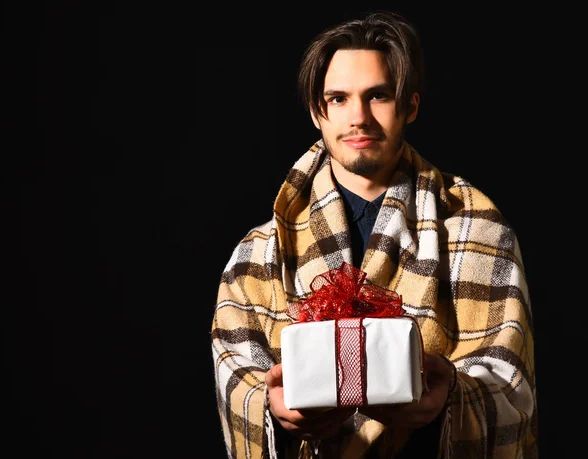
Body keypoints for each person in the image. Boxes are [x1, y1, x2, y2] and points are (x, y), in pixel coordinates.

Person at [211, 10, 537, 459]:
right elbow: (235, 372)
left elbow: (511, 381)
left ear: (411, 106)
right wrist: (269, 407)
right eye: (338, 99)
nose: (358, 117)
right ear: (316, 112)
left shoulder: (479, 230)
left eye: (378, 96)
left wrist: (452, 398)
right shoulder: (257, 254)